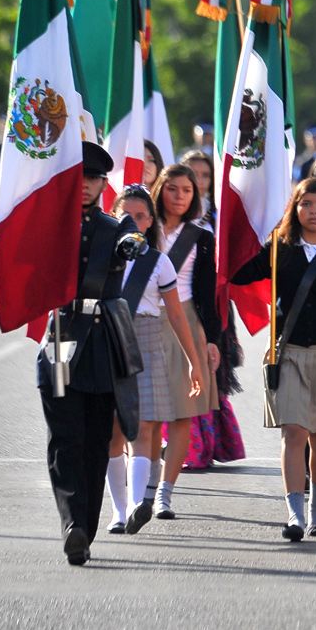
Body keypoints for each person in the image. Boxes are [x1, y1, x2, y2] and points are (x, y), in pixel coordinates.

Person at [23, 142, 147, 565]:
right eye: (80, 178)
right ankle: (72, 523)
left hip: (101, 346)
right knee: (65, 437)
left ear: (101, 184)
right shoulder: (50, 226)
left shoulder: (117, 228)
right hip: (61, 339)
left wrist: (133, 245)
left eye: (93, 179)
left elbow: (132, 238)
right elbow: (24, 254)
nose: (86, 186)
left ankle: (85, 529)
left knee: (96, 440)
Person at [231, 178, 316, 542]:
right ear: (294, 208)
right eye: (305, 204)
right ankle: (294, 513)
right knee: (294, 432)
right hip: (288, 352)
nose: (313, 211)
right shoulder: (280, 249)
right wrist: (237, 226)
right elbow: (237, 271)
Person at [106, 185, 203, 535]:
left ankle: (136, 505)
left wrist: (193, 360)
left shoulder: (159, 262)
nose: (133, 221)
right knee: (113, 431)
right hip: (110, 338)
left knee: (144, 426)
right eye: (126, 215)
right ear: (114, 216)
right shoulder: (103, 253)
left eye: (141, 216)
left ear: (150, 222)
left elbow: (176, 316)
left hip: (146, 340)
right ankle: (118, 511)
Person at [149, 165, 227, 498]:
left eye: (187, 190)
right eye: (172, 188)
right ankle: (146, 484)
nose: (179, 196)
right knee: (146, 414)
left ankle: (166, 491)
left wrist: (212, 340)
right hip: (146, 321)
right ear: (159, 190)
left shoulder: (201, 237)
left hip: (187, 325)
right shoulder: (143, 229)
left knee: (183, 413)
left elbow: (207, 295)